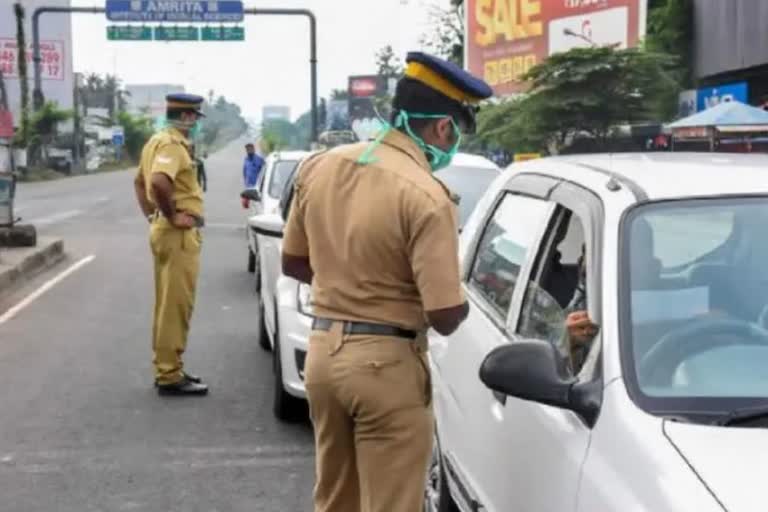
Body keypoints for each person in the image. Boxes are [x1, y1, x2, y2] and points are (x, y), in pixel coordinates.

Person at [280, 51, 492, 512]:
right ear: (441, 128)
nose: (451, 144)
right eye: (455, 133)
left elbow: (294, 262)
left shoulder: (321, 166)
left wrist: (349, 282)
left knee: (336, 499)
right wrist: (468, 296)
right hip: (386, 369)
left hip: (323, 357)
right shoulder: (428, 195)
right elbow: (444, 314)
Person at [133, 93, 209, 396]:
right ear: (188, 117)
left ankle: (166, 366)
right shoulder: (172, 145)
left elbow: (139, 182)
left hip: (164, 230)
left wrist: (152, 216)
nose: (196, 124)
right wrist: (171, 215)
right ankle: (169, 374)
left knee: (167, 303)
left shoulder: (155, 141)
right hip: (176, 235)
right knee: (176, 305)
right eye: (195, 118)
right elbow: (158, 183)